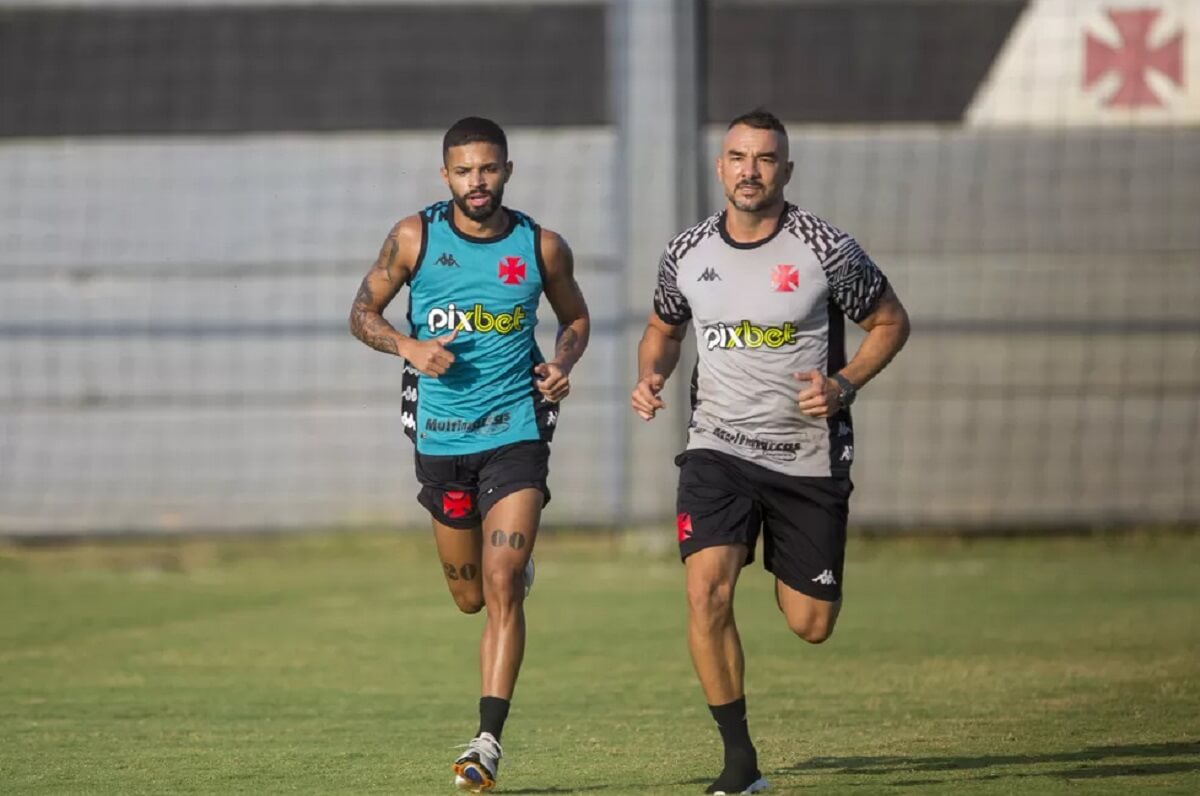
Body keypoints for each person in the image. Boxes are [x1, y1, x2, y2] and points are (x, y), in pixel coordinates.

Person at [630, 109, 910, 795]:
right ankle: (740, 765)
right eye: (737, 157)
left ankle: (782, 555)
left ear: (785, 170)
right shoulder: (686, 252)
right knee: (706, 595)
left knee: (810, 625)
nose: (749, 170)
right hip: (716, 450)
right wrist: (651, 375)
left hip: (805, 458)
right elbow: (662, 329)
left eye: (764, 159)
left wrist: (843, 385)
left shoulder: (825, 248)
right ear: (720, 166)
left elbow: (890, 321)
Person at [349, 116, 590, 793]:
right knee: (468, 597)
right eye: (464, 170)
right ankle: (497, 571)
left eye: (488, 169)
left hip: (515, 430)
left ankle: (486, 743)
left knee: (503, 578)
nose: (476, 181)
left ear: (507, 170)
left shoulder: (540, 246)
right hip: (441, 439)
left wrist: (563, 362)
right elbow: (361, 313)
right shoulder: (414, 237)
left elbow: (576, 319)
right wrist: (407, 346)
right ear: (445, 174)